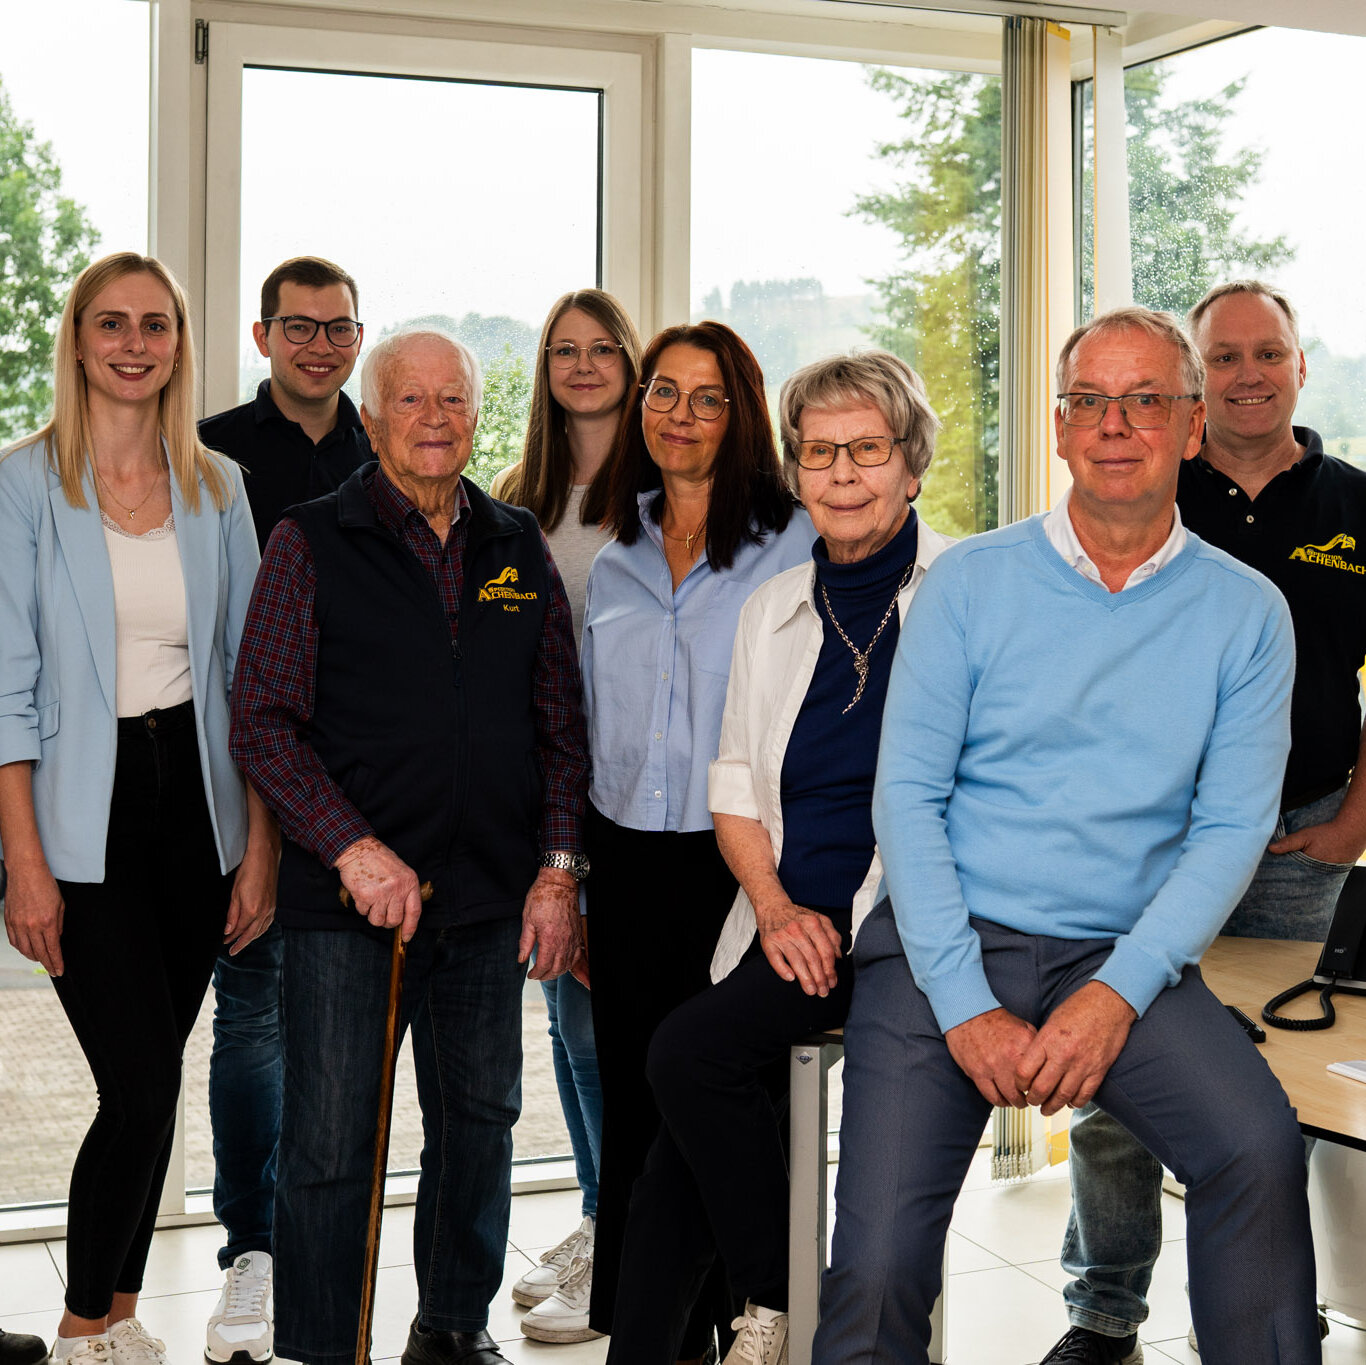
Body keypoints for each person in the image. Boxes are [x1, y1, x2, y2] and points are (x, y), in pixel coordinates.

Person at [814, 307, 1320, 1365]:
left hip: (1120, 953)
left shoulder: (1248, 612)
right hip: (946, 943)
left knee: (1255, 1148)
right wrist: (965, 1005)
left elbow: (1230, 828)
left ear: (1191, 426)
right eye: (1090, 400)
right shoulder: (970, 582)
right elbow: (906, 797)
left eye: (1145, 401)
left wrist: (1115, 993)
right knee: (877, 1263)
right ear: (1058, 426)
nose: (1114, 425)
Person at [229, 329, 590, 1365]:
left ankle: (451, 1328)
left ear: (478, 413)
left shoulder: (515, 541)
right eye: (411, 400)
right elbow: (262, 720)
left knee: (479, 1123)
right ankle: (322, 1346)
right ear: (374, 418)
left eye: (454, 399)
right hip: (350, 907)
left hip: (487, 899)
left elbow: (561, 724)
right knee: (332, 1140)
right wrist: (352, 848)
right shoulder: (311, 538)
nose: (435, 418)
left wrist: (557, 872)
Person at [605, 351, 953, 1365]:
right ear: (797, 471)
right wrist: (773, 906)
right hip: (782, 917)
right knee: (675, 1160)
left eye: (867, 451)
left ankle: (778, 1294)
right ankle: (731, 1318)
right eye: (819, 452)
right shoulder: (776, 606)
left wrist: (834, 922)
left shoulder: (965, 592)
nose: (841, 474)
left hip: (897, 924)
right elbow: (735, 786)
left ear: (911, 465)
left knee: (686, 1056)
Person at [1052, 280, 1366, 1364]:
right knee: (1111, 1075)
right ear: (1191, 387)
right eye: (1222, 357)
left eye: (1265, 353)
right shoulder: (1144, 482)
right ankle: (1103, 1315)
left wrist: (1356, 818)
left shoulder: (1354, 505)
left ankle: (1274, 1300)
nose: (1246, 374)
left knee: (1287, 1087)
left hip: (1296, 843)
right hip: (1150, 843)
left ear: (1299, 366)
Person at [0, 252, 274, 1365]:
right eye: (110, 323)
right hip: (78, 812)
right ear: (77, 339)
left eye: (154, 325)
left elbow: (253, 684)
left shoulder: (218, 487)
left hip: (198, 812)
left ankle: (116, 1316)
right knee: (141, 1078)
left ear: (178, 345)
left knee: (155, 1077)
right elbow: (5, 685)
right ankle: (82, 1329)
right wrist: (22, 862)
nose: (133, 343)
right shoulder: (22, 484)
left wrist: (260, 848)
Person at [581, 321, 813, 1357]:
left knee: (724, 1111)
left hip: (740, 867)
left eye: (707, 397)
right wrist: (574, 879)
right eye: (663, 393)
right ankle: (661, 1342)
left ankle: (751, 1321)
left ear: (741, 413)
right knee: (636, 1111)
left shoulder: (796, 543)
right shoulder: (613, 554)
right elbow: (591, 724)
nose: (680, 415)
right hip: (628, 866)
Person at [197, 254, 370, 1365]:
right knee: (253, 1014)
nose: (319, 345)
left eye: (338, 327)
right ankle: (252, 1251)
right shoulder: (209, 454)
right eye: (298, 327)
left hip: (357, 791)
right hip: (243, 776)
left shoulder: (386, 448)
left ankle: (328, 1254)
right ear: (262, 337)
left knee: (340, 1039)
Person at [488, 289, 643, 1345]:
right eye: (562, 351)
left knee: (605, 1028)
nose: (582, 367)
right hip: (543, 792)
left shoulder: (660, 493)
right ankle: (599, 1214)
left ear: (631, 365)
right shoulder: (515, 498)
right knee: (564, 1019)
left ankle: (624, 1236)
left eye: (602, 350)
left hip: (630, 793)